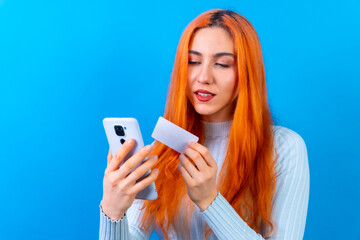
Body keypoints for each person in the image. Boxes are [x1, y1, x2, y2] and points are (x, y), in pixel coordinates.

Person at [99, 9, 310, 240]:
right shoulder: (165, 148)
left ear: (247, 74)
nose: (203, 77)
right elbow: (134, 233)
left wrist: (211, 201)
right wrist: (112, 211)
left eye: (222, 64)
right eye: (193, 61)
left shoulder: (285, 148)